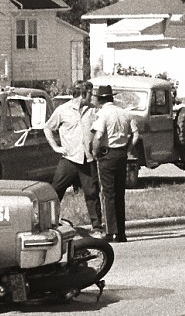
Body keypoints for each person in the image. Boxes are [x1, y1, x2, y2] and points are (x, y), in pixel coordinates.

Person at [43, 80, 103, 235]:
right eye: (90, 93)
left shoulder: (93, 111)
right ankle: (49, 224)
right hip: (69, 158)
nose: (92, 96)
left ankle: (97, 227)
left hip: (88, 159)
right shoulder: (63, 110)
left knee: (92, 193)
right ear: (83, 93)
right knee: (55, 191)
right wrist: (56, 147)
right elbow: (48, 128)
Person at [89, 83, 140, 243]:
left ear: (101, 100)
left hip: (107, 154)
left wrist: (95, 152)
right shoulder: (124, 113)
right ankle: (121, 232)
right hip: (121, 154)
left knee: (108, 194)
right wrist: (126, 149)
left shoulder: (102, 114)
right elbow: (136, 135)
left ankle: (111, 231)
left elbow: (98, 136)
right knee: (120, 193)